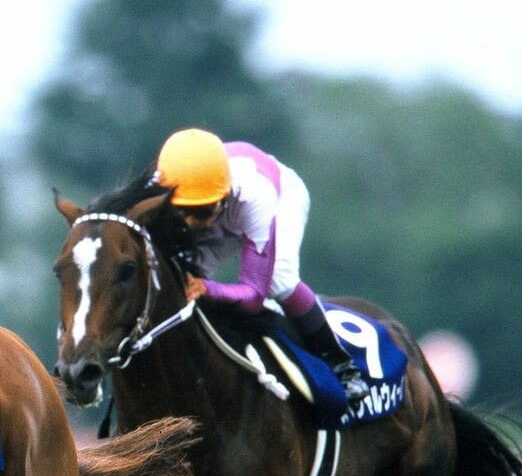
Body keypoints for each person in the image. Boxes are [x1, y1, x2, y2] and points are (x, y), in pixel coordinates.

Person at [153, 128, 371, 405]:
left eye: (202, 210)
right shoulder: (160, 186)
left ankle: (343, 368)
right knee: (177, 277)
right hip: (224, 203)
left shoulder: (257, 197)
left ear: (221, 197)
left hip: (281, 195)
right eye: (183, 210)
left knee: (280, 280)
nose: (194, 224)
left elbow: (254, 295)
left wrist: (207, 288)